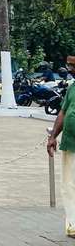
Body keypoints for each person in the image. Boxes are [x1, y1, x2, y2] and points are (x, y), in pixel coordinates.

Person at [48, 81, 75, 236]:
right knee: (69, 184)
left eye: (73, 66)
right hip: (71, 143)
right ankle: (73, 223)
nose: (70, 69)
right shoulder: (72, 88)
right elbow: (63, 113)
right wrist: (53, 137)